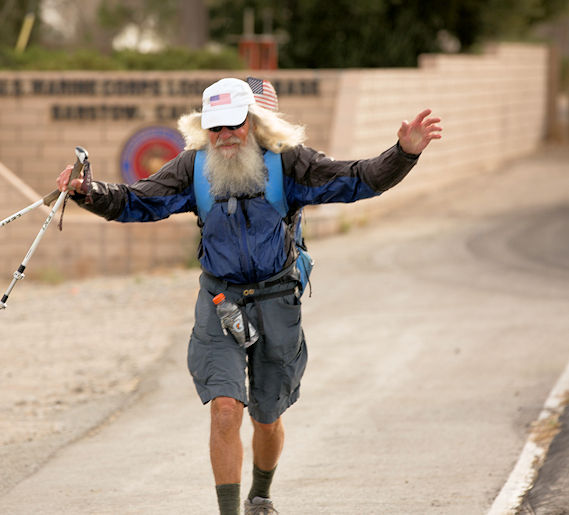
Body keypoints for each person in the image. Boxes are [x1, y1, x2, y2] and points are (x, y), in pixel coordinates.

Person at [56, 77, 442, 514]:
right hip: (220, 301)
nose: (223, 137)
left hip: (277, 299)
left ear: (253, 123)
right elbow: (137, 201)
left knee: (267, 416)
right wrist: (89, 191)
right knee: (224, 408)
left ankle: (260, 495)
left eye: (233, 126)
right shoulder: (192, 168)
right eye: (214, 128)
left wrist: (404, 153)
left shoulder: (290, 164)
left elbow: (357, 179)